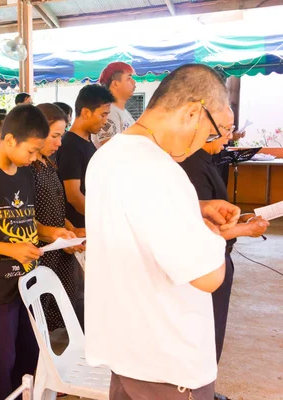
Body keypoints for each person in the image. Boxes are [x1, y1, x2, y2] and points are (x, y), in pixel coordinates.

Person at [85, 64, 242, 400]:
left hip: (128, 354)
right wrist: (212, 231)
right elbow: (207, 277)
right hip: (169, 364)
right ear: (191, 112)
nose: (204, 143)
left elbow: (135, 224)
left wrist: (194, 210)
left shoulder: (108, 155)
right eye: (210, 132)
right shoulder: (159, 169)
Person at [0, 104, 77, 400]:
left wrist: (53, 232)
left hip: (28, 283)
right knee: (0, 360)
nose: (35, 158)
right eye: (32, 151)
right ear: (10, 140)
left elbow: (28, 220)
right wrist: (11, 249)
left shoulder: (25, 173)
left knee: (29, 353)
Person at [179, 109, 269, 368]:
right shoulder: (192, 165)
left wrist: (240, 217)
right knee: (205, 328)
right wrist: (246, 230)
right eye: (226, 131)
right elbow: (202, 229)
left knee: (214, 327)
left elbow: (214, 212)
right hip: (206, 260)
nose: (229, 138)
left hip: (219, 256)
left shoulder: (207, 159)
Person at [33, 103, 86, 331]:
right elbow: (25, 218)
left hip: (59, 249)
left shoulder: (48, 163)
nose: (59, 143)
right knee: (40, 316)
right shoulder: (27, 167)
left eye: (61, 136)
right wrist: (55, 236)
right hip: (42, 253)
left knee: (61, 311)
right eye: (55, 136)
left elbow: (56, 207)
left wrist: (71, 229)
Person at [56, 85, 114, 230]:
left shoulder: (87, 141)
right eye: (103, 114)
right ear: (86, 112)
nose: (106, 121)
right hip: (80, 230)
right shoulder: (71, 146)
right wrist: (100, 222)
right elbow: (74, 195)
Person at [94, 62, 137, 148]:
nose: (134, 82)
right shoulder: (109, 112)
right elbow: (110, 150)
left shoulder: (123, 112)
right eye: (129, 78)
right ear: (115, 84)